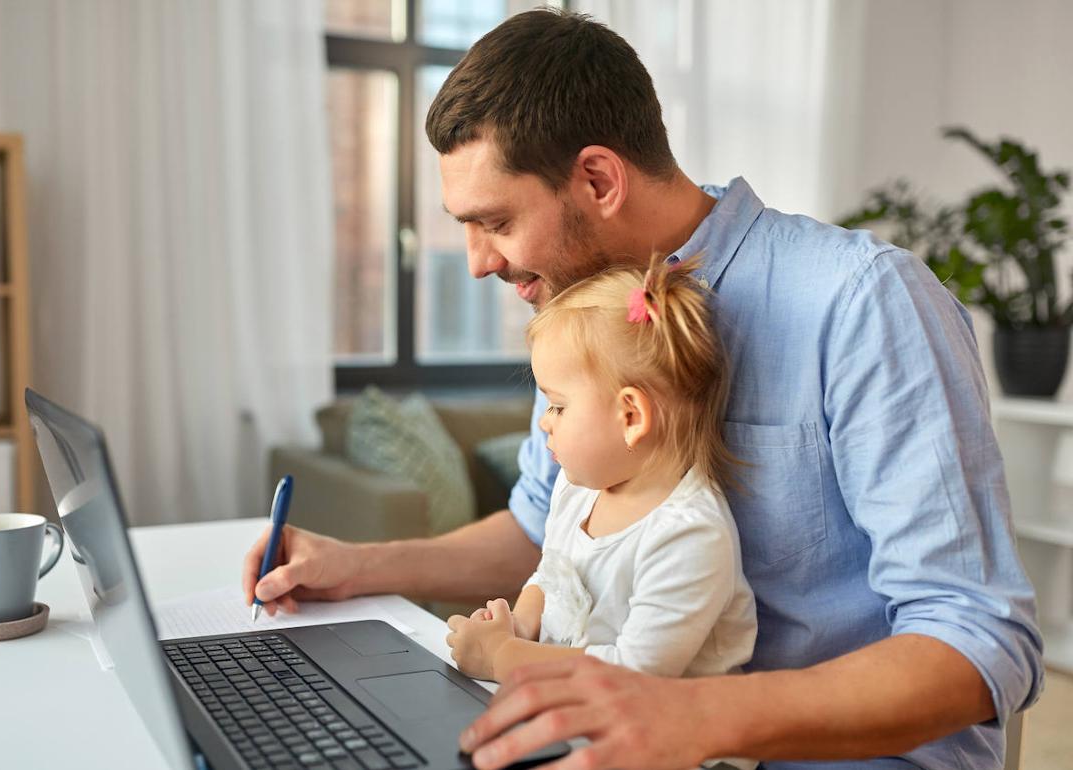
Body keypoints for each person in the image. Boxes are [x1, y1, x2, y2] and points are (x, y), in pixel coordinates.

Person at [242, 9, 1043, 770]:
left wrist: (686, 717)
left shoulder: (863, 302)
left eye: (493, 221)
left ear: (597, 179)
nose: (479, 261)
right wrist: (358, 566)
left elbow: (980, 643)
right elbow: (540, 527)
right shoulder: (585, 309)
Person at [444, 256, 757, 700]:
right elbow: (550, 574)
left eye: (558, 406)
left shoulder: (689, 535)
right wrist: (518, 625)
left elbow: (635, 674)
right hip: (580, 713)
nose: (543, 424)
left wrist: (503, 658)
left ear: (630, 416)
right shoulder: (576, 490)